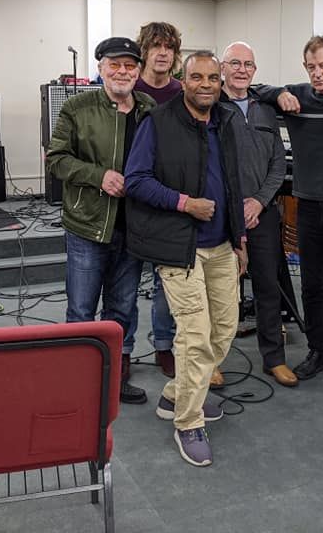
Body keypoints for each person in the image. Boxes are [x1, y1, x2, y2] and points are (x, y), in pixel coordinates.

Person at [125, 51, 248, 467]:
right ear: (183, 78)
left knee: (224, 328)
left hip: (222, 247)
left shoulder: (225, 122)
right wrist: (184, 204)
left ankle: (177, 392)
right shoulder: (156, 123)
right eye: (197, 77)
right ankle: (188, 422)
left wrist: (240, 238)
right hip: (179, 246)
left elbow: (233, 182)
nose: (206, 84)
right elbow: (136, 180)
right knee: (194, 334)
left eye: (214, 77)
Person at [252, 36, 323, 391]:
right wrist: (278, 93)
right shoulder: (298, 96)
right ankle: (319, 351)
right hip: (307, 207)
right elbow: (253, 88)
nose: (318, 74)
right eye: (311, 67)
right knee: (312, 286)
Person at [46, 36, 155, 406]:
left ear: (138, 71)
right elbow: (56, 159)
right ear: (100, 68)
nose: (122, 72)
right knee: (81, 308)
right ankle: (79, 377)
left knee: (123, 307)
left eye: (129, 66)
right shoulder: (77, 107)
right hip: (87, 223)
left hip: (133, 225)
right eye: (115, 65)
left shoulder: (149, 108)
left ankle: (115, 377)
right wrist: (99, 176)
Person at [220, 41, 295, 387]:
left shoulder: (265, 108)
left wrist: (259, 201)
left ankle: (274, 359)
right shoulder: (210, 106)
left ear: (254, 70)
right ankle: (210, 362)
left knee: (268, 286)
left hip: (262, 213)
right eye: (234, 63)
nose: (241, 70)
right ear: (222, 68)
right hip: (221, 215)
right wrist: (236, 205)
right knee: (218, 292)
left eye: (248, 64)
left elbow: (278, 163)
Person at [126, 22, 182, 380]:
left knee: (167, 286)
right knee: (125, 285)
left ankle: (164, 345)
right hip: (131, 200)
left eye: (169, 47)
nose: (162, 53)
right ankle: (124, 352)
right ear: (143, 51)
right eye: (156, 46)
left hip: (169, 202)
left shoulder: (182, 91)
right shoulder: (129, 87)